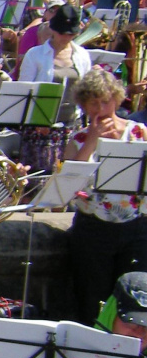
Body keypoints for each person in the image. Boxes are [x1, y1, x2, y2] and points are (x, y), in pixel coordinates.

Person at [64, 70, 147, 321]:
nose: (101, 108)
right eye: (93, 102)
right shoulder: (77, 139)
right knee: (91, 298)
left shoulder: (139, 131)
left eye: (106, 100)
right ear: (84, 105)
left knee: (135, 299)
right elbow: (69, 185)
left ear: (117, 99)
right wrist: (91, 140)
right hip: (93, 228)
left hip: (135, 226)